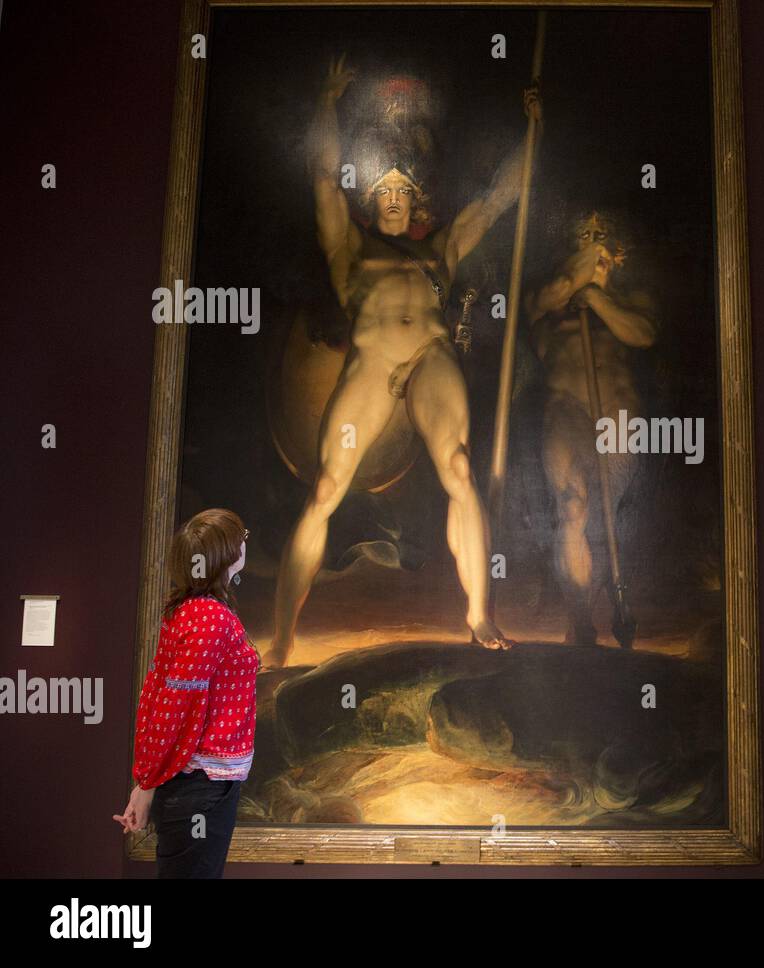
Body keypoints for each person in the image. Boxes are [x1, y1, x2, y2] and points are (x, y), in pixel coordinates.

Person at [262, 54, 542, 667]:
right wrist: (327, 105)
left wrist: (532, 130)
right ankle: (283, 638)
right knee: (328, 488)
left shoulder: (442, 249)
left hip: (430, 358)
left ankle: (478, 613)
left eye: (402, 191)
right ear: (372, 197)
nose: (392, 198)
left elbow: (501, 198)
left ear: (416, 200)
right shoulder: (349, 245)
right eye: (382, 189)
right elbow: (320, 179)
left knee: (461, 470)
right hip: (371, 360)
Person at [526, 210, 657, 646]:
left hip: (617, 413)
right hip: (566, 410)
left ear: (617, 255)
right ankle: (580, 617)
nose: (594, 246)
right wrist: (573, 288)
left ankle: (610, 600)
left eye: (603, 240)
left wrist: (598, 300)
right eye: (585, 239)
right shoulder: (549, 299)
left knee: (605, 512)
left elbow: (644, 335)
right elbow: (536, 309)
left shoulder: (632, 297)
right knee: (571, 505)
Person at [114, 508, 259, 878]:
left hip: (199, 785)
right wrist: (147, 782)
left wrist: (147, 780)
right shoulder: (210, 617)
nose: (245, 542)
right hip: (200, 786)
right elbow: (174, 706)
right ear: (225, 554)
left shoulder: (192, 611)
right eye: (240, 537)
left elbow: (160, 695)